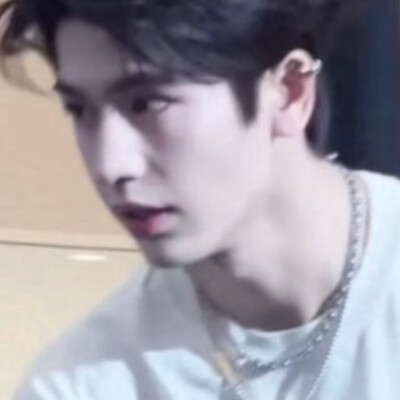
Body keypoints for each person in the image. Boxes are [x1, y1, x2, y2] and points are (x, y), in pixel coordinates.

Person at [1, 0, 399, 399]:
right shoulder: (79, 383)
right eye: (79, 109)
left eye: (147, 103)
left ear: (288, 93)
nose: (111, 165)